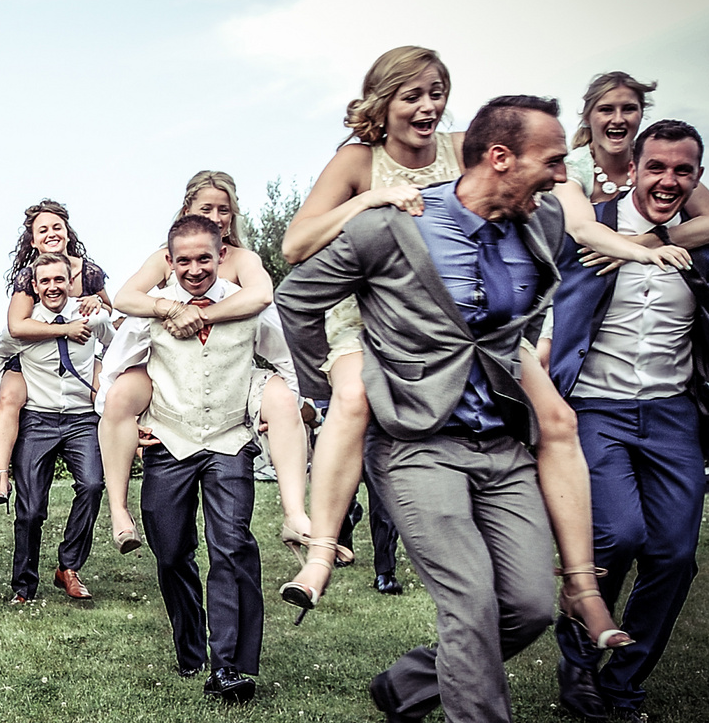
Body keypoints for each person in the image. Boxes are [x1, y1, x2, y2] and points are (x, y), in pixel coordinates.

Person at [277, 49, 678, 631]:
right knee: (356, 398)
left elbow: (546, 187)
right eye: (412, 95)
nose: (428, 106)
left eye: (437, 92)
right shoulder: (357, 160)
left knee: (559, 420)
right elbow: (296, 248)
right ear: (382, 100)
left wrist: (636, 235)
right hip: (372, 315)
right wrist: (370, 199)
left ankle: (582, 582)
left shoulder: (462, 145)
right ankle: (319, 553)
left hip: (474, 321)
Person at [277, 95, 575, 723]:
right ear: (500, 156)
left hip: (501, 446)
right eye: (553, 158)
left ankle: (406, 688)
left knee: (532, 607)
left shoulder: (544, 226)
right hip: (414, 444)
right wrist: (359, 378)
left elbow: (524, 318)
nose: (563, 174)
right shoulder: (393, 224)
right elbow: (298, 300)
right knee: (471, 610)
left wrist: (510, 367)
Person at [547, 120, 709, 723]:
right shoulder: (591, 231)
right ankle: (580, 661)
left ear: (696, 179)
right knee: (616, 535)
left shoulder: (707, 243)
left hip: (671, 413)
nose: (668, 180)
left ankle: (627, 682)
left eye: (682, 171)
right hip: (594, 406)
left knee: (674, 554)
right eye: (656, 167)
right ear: (632, 168)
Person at [554, 71, 709, 564]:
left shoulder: (671, 169)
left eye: (629, 108)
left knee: (674, 553)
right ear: (588, 116)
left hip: (669, 392)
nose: (618, 118)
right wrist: (630, 247)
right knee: (618, 535)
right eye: (606, 109)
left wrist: (646, 246)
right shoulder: (573, 170)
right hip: (594, 374)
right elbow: (580, 229)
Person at [106, 172, 311, 560]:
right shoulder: (166, 261)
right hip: (172, 381)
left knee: (281, 398)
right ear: (186, 213)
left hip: (233, 383)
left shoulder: (245, 262)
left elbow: (263, 299)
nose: (217, 217)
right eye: (207, 209)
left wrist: (202, 315)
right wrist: (169, 307)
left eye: (225, 210)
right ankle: (119, 511)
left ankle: (295, 514)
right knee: (120, 394)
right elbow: (126, 299)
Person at [134, 215, 275, 703]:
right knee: (171, 552)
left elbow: (285, 363)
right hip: (169, 442)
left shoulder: (245, 304)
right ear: (169, 262)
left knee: (232, 546)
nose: (195, 269)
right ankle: (191, 641)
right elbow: (113, 376)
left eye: (205, 259)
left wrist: (274, 407)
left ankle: (230, 665)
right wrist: (132, 426)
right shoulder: (154, 311)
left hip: (229, 442)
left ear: (221, 258)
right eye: (185, 261)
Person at [0, 252, 113, 603]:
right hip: (38, 418)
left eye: (59, 280)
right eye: (45, 281)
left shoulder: (92, 316)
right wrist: (3, 392)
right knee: (31, 508)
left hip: (82, 417)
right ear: (34, 285)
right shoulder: (24, 323)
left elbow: (117, 346)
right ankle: (23, 586)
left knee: (93, 485)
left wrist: (106, 384)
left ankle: (69, 566)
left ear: (70, 282)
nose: (52, 287)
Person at [0, 201, 111, 506]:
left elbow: (111, 314)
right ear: (33, 239)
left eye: (57, 227)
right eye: (43, 230)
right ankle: (1, 477)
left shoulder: (89, 271)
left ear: (68, 232)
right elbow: (16, 326)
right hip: (31, 351)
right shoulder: (29, 276)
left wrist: (97, 302)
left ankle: (128, 456)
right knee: (8, 399)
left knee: (104, 393)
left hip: (79, 352)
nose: (51, 233)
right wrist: (64, 330)